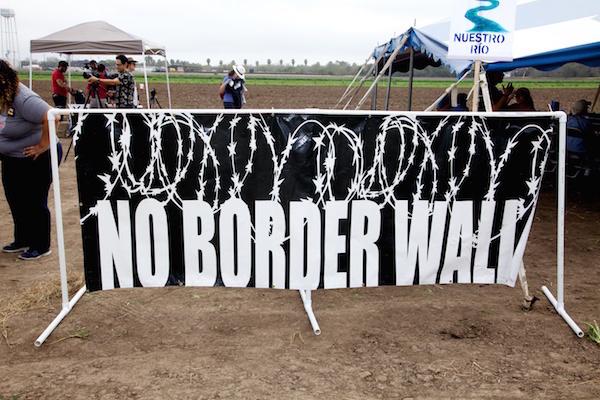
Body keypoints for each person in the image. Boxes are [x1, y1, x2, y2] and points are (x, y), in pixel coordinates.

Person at [0, 59, 62, 260]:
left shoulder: (23, 98)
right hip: (12, 157)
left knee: (34, 201)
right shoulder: (3, 96)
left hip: (38, 156)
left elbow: (52, 116)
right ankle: (23, 239)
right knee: (16, 199)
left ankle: (41, 245)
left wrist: (43, 145)